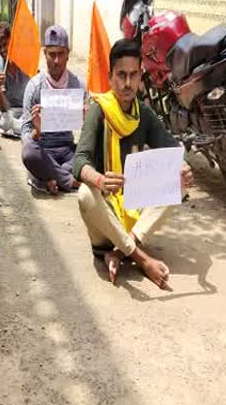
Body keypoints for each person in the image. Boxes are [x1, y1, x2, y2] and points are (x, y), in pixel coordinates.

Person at [73, 39, 194, 288]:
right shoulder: (99, 111)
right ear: (110, 78)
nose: (127, 83)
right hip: (105, 225)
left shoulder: (144, 114)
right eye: (121, 75)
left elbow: (171, 148)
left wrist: (182, 167)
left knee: (180, 185)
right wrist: (100, 180)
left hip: (134, 217)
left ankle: (120, 252)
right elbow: (79, 161)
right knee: (85, 194)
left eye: (133, 75)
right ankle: (139, 257)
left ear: (140, 77)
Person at [21, 25, 84, 195]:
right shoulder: (34, 87)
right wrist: (37, 131)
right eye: (52, 54)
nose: (56, 60)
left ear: (68, 54)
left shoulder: (78, 85)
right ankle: (68, 180)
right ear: (45, 54)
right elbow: (25, 136)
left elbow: (88, 135)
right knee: (28, 153)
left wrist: (87, 120)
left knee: (98, 148)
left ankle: (47, 178)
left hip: (68, 150)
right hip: (43, 151)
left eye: (61, 54)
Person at [0, 22, 28, 138]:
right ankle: (20, 128)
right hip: (11, 112)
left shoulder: (27, 64)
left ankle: (18, 128)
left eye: (5, 44)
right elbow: (4, 109)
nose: (3, 50)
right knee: (5, 121)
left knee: (32, 120)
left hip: (27, 111)